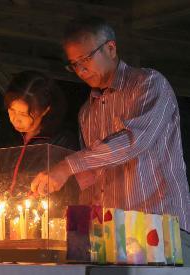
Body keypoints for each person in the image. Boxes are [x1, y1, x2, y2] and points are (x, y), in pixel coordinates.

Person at [30, 16, 190, 265]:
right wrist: (61, 190)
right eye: (74, 64)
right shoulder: (88, 112)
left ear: (111, 48)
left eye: (85, 59)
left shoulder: (148, 85)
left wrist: (66, 167)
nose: (81, 70)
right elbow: (93, 173)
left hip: (158, 226)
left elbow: (132, 142)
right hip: (112, 234)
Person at [0, 71, 78, 213]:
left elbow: (66, 190)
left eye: (24, 114)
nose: (15, 119)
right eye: (11, 110)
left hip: (40, 223)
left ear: (45, 110)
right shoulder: (6, 131)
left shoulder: (62, 140)